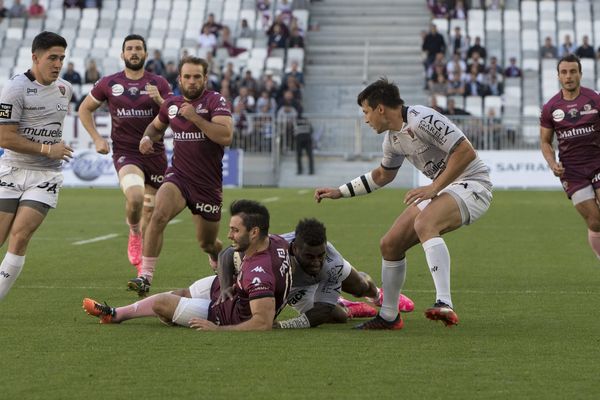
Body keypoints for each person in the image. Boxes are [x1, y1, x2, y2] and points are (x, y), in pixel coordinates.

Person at [314, 78, 493, 329]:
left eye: (366, 112)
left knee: (425, 223)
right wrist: (339, 191)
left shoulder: (422, 118)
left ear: (380, 109)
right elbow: (382, 175)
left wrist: (433, 187)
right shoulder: (392, 140)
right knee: (390, 244)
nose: (365, 119)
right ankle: (389, 316)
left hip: (473, 184)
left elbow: (466, 152)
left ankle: (445, 302)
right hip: (445, 188)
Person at [82, 217, 415, 327]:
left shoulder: (329, 262)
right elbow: (228, 253)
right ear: (293, 247)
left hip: (297, 293)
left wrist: (280, 325)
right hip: (247, 290)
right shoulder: (273, 246)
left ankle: (374, 298)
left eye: (319, 255)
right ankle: (117, 313)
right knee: (181, 293)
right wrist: (227, 285)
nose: (315, 260)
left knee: (342, 304)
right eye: (309, 255)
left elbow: (317, 312)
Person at [83, 199, 292, 331]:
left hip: (229, 314)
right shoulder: (276, 240)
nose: (229, 235)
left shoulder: (259, 274)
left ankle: (123, 315)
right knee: (182, 292)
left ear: (254, 232)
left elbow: (263, 322)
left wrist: (217, 330)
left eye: (235, 231)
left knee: (162, 303)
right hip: (236, 291)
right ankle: (115, 313)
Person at [129, 56, 233, 296]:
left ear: (205, 78)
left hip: (207, 184)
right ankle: (145, 276)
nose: (192, 81)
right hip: (178, 176)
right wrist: (146, 138)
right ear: (180, 79)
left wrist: (195, 117)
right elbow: (156, 127)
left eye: (197, 76)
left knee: (207, 242)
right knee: (158, 215)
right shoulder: (171, 104)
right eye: (187, 76)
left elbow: (226, 136)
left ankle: (217, 257)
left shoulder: (215, 101)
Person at [78, 35, 172, 274]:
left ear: (145, 54)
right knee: (135, 197)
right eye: (129, 48)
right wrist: (97, 139)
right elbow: (84, 109)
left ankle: (144, 271)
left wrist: (160, 100)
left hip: (155, 154)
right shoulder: (109, 83)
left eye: (138, 48)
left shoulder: (159, 83)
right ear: (122, 54)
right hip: (126, 153)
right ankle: (133, 231)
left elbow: (174, 116)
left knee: (150, 214)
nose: (134, 52)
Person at [0, 31, 73, 301]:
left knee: (20, 237)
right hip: (12, 170)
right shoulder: (15, 88)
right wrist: (47, 148)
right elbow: (3, 137)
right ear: (35, 57)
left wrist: (50, 151)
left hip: (46, 175)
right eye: (52, 58)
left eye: (62, 58)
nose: (58, 64)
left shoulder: (65, 89)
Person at [540, 54, 600, 261]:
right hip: (572, 172)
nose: (569, 76)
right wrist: (552, 163)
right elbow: (545, 142)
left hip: (597, 163)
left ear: (580, 74)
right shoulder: (550, 107)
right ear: (558, 76)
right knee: (594, 221)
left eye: (573, 71)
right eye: (564, 72)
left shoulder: (595, 100)